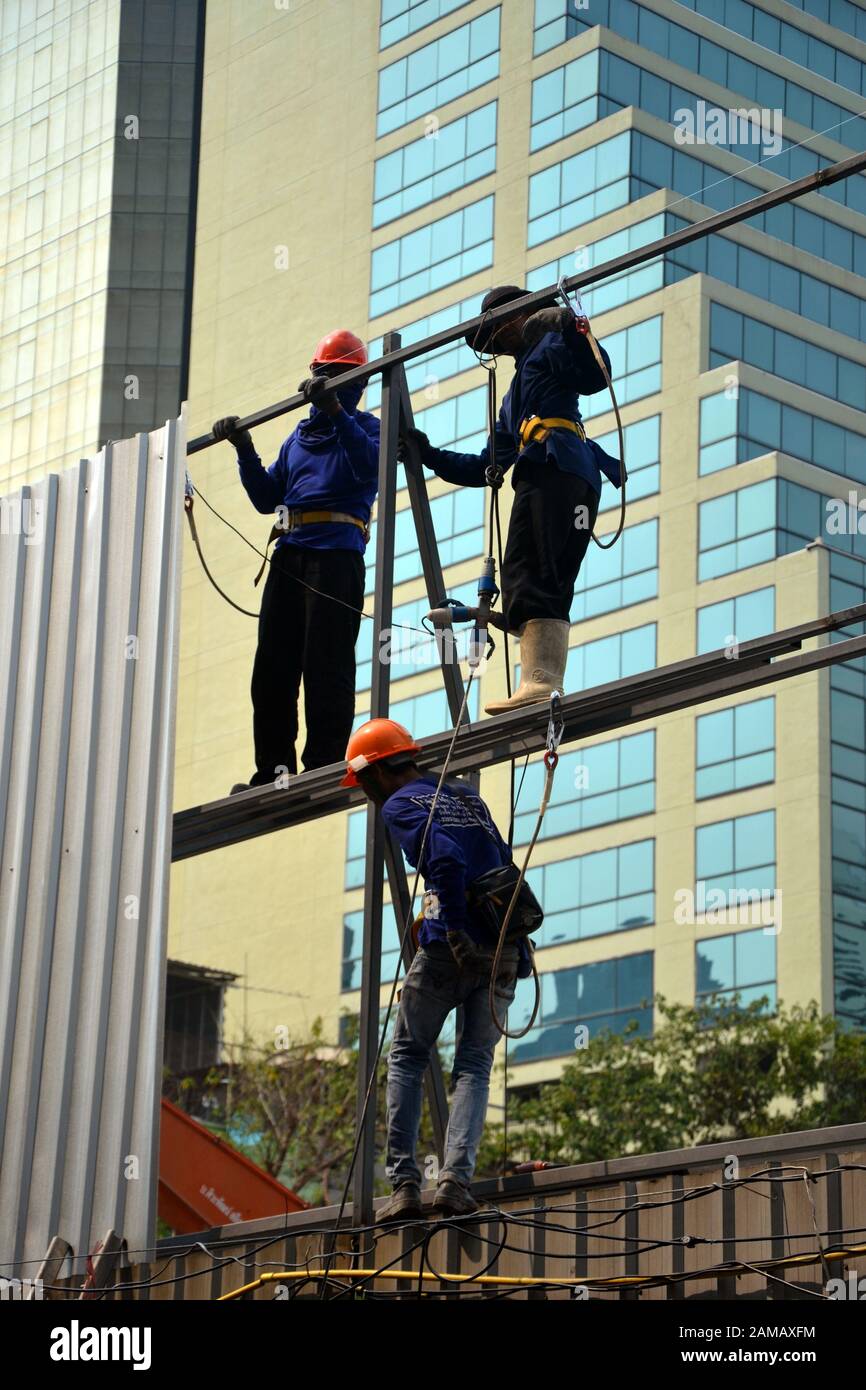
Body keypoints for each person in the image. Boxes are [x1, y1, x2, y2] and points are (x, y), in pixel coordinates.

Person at [342, 717, 532, 1221]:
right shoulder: (466, 796)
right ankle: (453, 1182)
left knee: (407, 1055)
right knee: (474, 1065)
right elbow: (499, 865)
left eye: (363, 783)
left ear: (379, 773)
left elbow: (445, 861)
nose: (366, 794)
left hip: (455, 952)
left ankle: (404, 1184)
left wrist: (450, 928)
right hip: (502, 947)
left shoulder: (400, 804)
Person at [400, 285, 621, 715]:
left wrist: (568, 325)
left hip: (556, 467)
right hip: (558, 472)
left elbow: (596, 374)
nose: (499, 340)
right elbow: (487, 466)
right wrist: (428, 454)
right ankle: (540, 679)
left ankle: (540, 681)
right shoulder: (512, 399)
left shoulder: (552, 346)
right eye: (493, 337)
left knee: (531, 569)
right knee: (535, 573)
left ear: (521, 315)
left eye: (501, 326)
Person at [212, 330, 379, 790]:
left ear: (356, 383)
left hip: (336, 556)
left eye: (337, 376)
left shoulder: (368, 428)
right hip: (291, 555)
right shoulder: (298, 439)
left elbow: (367, 467)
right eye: (322, 375)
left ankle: (324, 763)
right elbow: (268, 498)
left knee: (326, 663)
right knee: (273, 667)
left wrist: (338, 414)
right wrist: (244, 449)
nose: (326, 383)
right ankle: (274, 769)